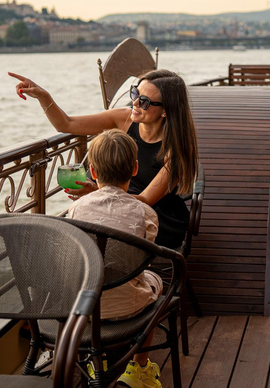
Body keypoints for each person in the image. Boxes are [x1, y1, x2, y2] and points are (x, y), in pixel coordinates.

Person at [8, 69, 198, 248]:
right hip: (116, 207)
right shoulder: (124, 119)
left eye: (145, 101)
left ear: (166, 110)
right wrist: (44, 96)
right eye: (134, 94)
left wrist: (97, 192)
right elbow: (66, 124)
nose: (135, 103)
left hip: (158, 219)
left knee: (87, 234)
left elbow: (145, 200)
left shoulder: (178, 148)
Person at [66, 129, 162, 388]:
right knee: (155, 281)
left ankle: (97, 360)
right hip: (127, 309)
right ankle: (139, 367)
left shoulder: (75, 209)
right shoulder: (145, 213)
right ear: (134, 168)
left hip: (83, 311)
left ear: (93, 172)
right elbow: (143, 261)